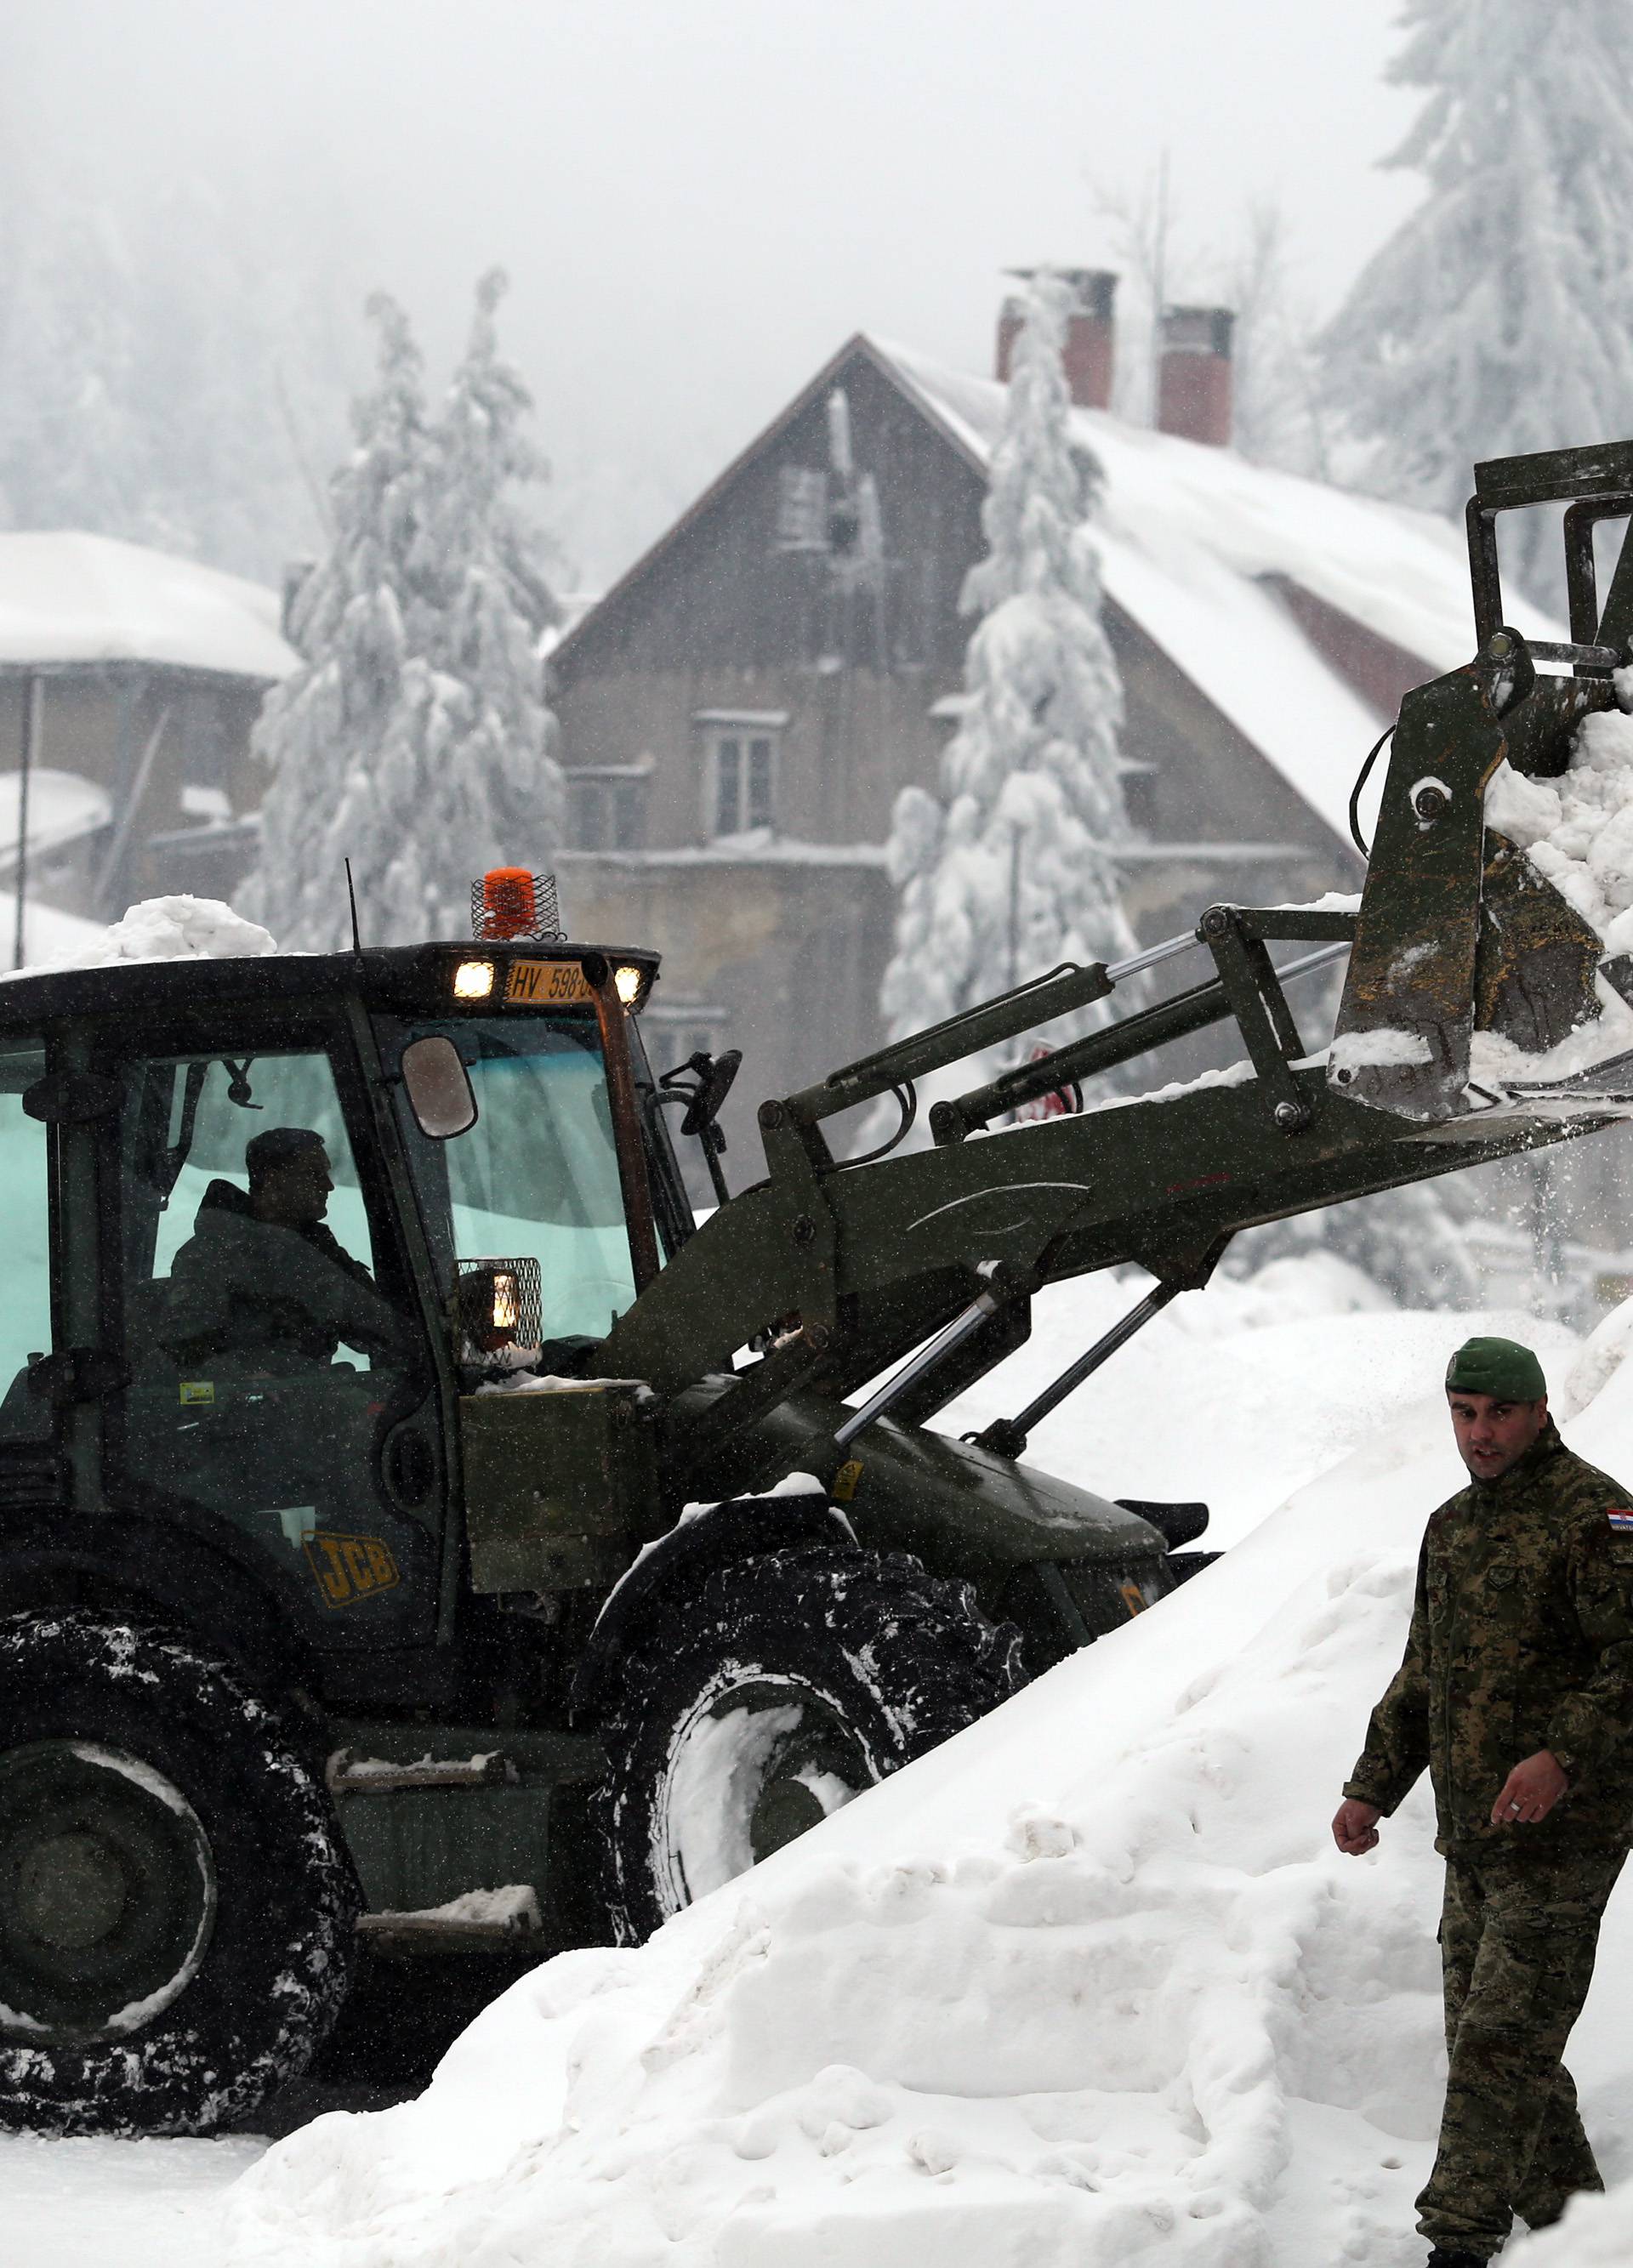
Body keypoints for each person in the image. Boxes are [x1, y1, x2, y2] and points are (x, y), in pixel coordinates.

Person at [1333, 1336, 1633, 2266]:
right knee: (1489, 2034)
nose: (1480, 1433)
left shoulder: (1599, 1517)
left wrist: (1561, 1758)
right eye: (1464, 1413)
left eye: (1499, 1413)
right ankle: (1575, 2224)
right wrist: (1371, 1785)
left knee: (1502, 2042)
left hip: (1567, 1833)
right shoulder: (1451, 1525)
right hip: (1474, 1837)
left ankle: (1456, 2242)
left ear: (1540, 1410)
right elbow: (1423, 1673)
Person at [162, 1125, 405, 1377]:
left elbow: (382, 1326)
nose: (328, 1186)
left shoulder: (320, 1251)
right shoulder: (211, 1254)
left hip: (316, 1403)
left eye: (325, 1174)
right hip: (249, 1411)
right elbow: (184, 1355)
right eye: (314, 1174)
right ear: (274, 1181)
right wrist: (253, 1380)